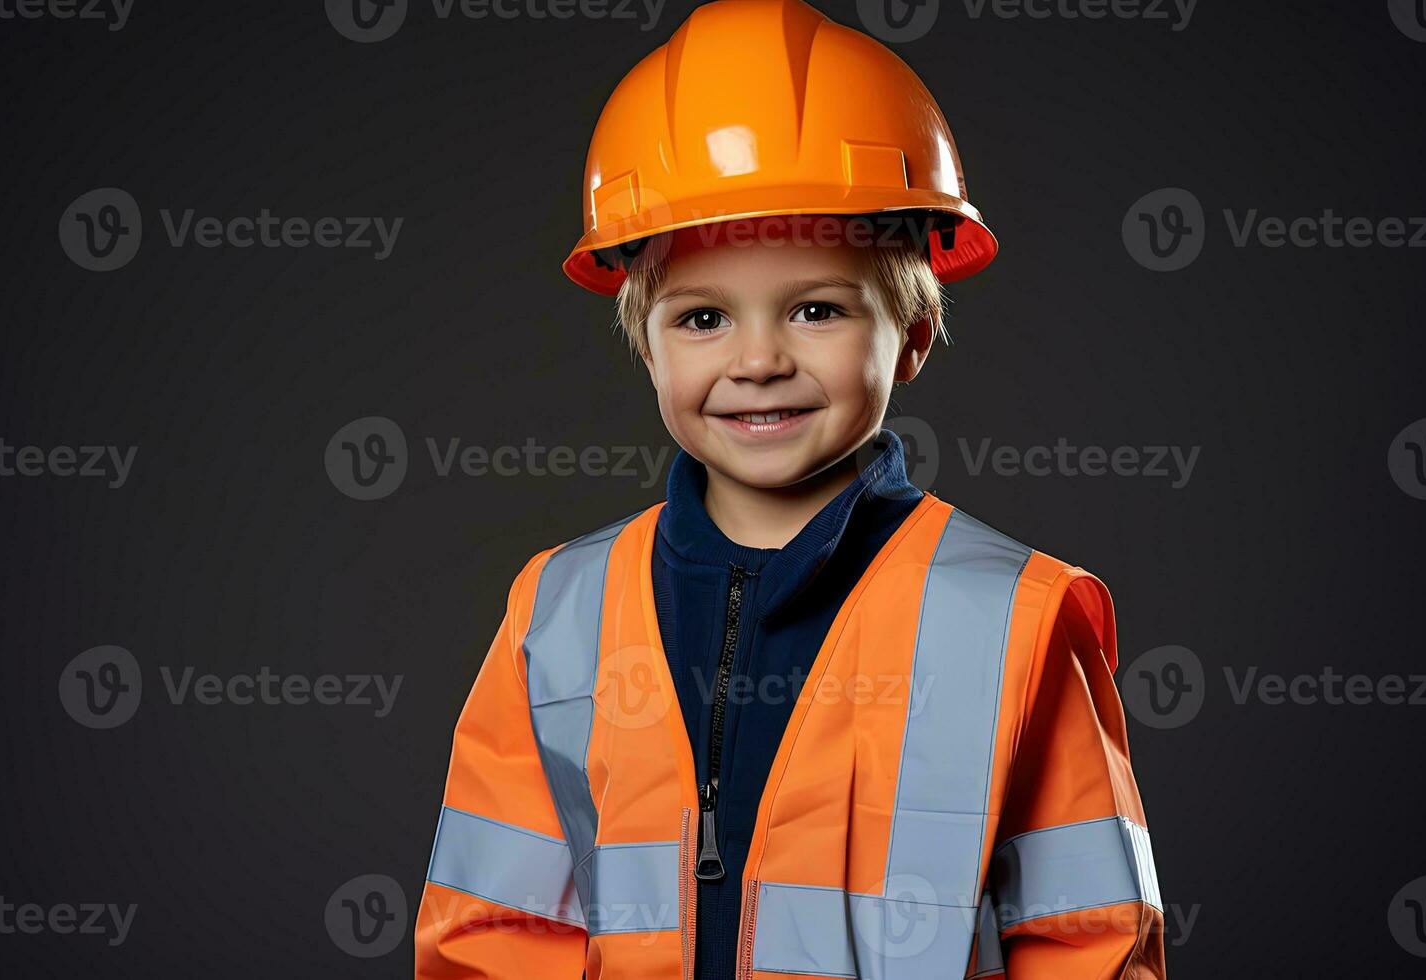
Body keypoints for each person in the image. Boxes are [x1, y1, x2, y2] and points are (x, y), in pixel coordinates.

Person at [414, 1, 1166, 977]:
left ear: (916, 333)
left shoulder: (1017, 617)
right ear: (644, 342)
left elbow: (1090, 943)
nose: (759, 358)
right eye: (702, 318)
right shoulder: (557, 612)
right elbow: (491, 929)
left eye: (816, 308)